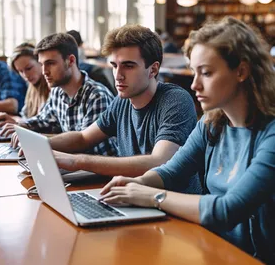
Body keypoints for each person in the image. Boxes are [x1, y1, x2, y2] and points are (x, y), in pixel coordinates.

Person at [99, 17, 275, 264]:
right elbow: (171, 172)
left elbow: (227, 210)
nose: (194, 84)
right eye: (194, 72)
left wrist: (151, 197)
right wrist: (133, 184)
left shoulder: (271, 134)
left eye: (207, 73)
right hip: (210, 247)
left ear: (242, 71)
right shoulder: (211, 123)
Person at [29, 24, 198, 182]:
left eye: (128, 66)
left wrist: (78, 161)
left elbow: (159, 162)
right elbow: (83, 137)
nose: (117, 75)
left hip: (170, 205)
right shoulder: (121, 101)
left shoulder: (176, 100)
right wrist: (40, 145)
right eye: (114, 66)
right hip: (129, 197)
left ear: (153, 69)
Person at [10, 32, 117, 156]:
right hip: (75, 163)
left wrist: (39, 144)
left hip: (98, 169)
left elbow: (83, 143)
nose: (44, 71)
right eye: (42, 64)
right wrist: (21, 127)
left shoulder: (97, 96)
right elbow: (44, 120)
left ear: (70, 60)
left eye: (50, 63)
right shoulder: (57, 91)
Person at [0, 42, 50, 132]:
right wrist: (14, 120)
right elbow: (26, 118)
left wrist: (19, 123)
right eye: (20, 71)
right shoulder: (32, 87)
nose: (25, 75)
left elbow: (46, 125)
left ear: (40, 62)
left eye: (29, 68)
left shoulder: (52, 87)